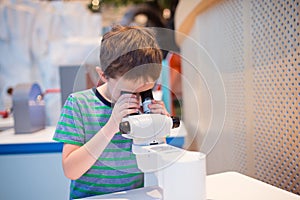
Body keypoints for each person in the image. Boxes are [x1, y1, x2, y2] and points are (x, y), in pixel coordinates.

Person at [53, 25, 169, 199]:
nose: (138, 99)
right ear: (103, 75)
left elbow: (155, 166)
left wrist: (159, 131)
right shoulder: (79, 104)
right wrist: (111, 126)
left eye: (145, 90)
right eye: (130, 91)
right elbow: (71, 170)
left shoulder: (147, 106)